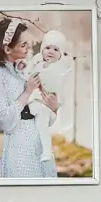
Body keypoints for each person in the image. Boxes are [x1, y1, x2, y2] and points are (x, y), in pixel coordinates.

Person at [0, 17, 55, 179]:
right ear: (7, 49)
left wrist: (52, 107)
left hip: (39, 143)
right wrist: (27, 92)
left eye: (28, 42)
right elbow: (5, 120)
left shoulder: (20, 68)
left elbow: (43, 117)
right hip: (20, 147)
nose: (29, 48)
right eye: (23, 45)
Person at [26, 31, 71, 178]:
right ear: (42, 49)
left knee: (42, 124)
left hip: (48, 106)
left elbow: (59, 87)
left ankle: (46, 151)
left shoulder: (60, 67)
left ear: (61, 54)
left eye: (56, 49)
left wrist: (56, 104)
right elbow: (27, 71)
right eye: (48, 48)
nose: (51, 52)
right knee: (36, 114)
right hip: (36, 102)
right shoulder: (37, 60)